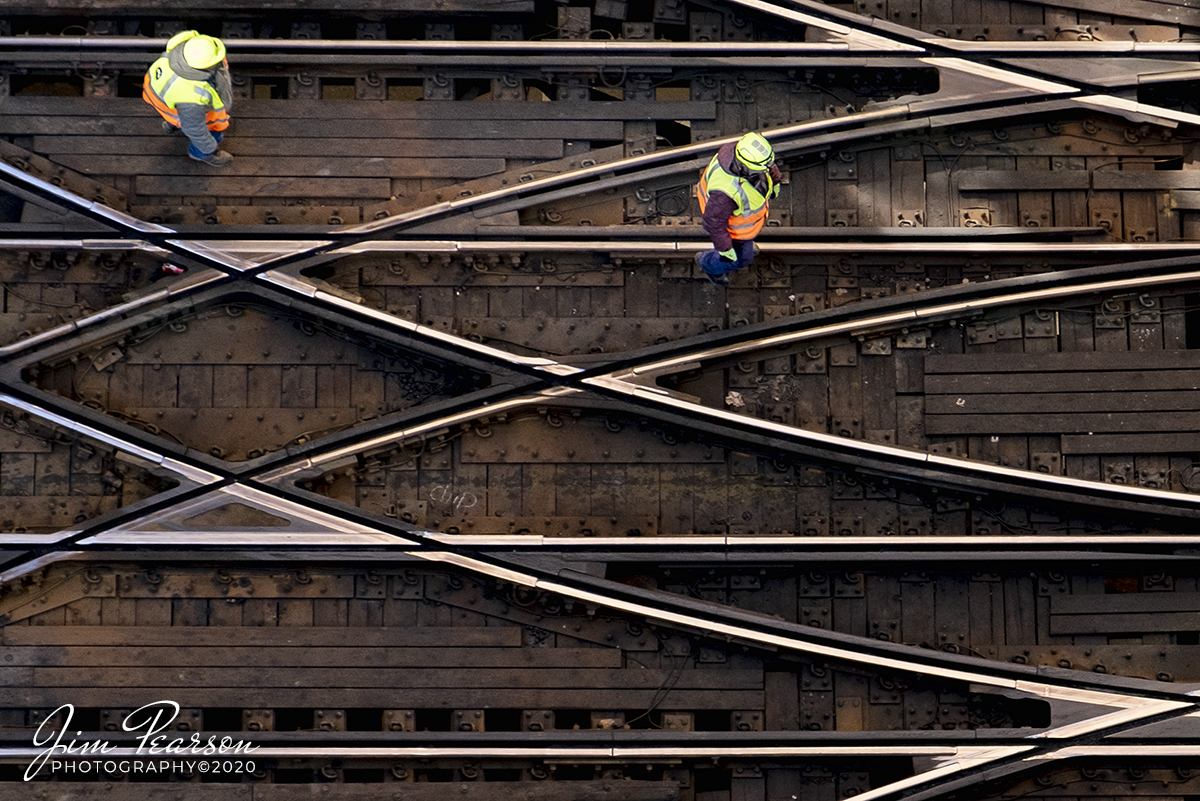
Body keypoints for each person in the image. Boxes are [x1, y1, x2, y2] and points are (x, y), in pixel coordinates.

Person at [694, 132, 782, 286]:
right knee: (742, 258)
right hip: (736, 232)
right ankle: (707, 264)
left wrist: (774, 181)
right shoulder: (726, 193)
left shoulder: (736, 154)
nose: (770, 167)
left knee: (743, 254)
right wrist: (725, 249)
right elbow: (713, 223)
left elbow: (767, 175)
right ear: (745, 167)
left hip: (742, 224)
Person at [142, 30, 234, 168]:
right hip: (181, 108)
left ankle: (172, 124)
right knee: (207, 131)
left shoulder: (178, 50)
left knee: (178, 117)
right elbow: (195, 130)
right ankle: (199, 154)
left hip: (161, 99)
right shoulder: (191, 98)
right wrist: (210, 148)